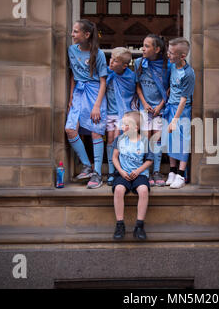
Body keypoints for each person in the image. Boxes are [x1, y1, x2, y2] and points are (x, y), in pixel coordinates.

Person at [65, 19, 107, 189]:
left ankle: (97, 173)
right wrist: (70, 98)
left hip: (95, 92)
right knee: (70, 129)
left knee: (96, 132)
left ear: (86, 35)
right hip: (78, 94)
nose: (72, 34)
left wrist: (97, 105)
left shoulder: (99, 54)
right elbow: (73, 75)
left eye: (75, 31)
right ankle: (86, 165)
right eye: (73, 31)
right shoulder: (71, 50)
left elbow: (103, 81)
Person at [134, 34, 171, 187]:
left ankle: (156, 171)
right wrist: (144, 102)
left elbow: (170, 87)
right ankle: (146, 171)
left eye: (147, 46)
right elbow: (137, 85)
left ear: (157, 49)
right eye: (143, 45)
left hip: (159, 108)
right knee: (145, 138)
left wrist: (160, 105)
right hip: (145, 107)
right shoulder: (139, 63)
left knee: (157, 139)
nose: (143, 48)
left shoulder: (167, 65)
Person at [112, 111, 153, 240]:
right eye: (122, 124)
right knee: (118, 190)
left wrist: (139, 171)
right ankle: (120, 224)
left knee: (143, 190)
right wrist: (121, 171)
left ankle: (139, 225)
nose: (123, 127)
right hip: (122, 173)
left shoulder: (145, 141)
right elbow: (114, 157)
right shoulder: (119, 139)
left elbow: (149, 160)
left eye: (126, 125)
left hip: (139, 174)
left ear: (136, 127)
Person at [163, 37, 195, 189]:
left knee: (183, 142)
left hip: (182, 110)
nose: (168, 55)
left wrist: (175, 119)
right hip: (170, 106)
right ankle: (172, 171)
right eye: (168, 51)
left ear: (182, 56)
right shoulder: (172, 66)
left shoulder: (188, 74)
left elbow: (184, 99)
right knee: (170, 140)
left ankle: (181, 175)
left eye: (171, 53)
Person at [105, 47, 137, 186]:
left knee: (120, 139)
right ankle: (111, 171)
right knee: (110, 138)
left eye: (115, 60)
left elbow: (132, 95)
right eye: (111, 58)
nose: (111, 62)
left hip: (124, 113)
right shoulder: (107, 73)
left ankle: (122, 169)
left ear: (124, 65)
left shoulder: (130, 77)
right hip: (110, 112)